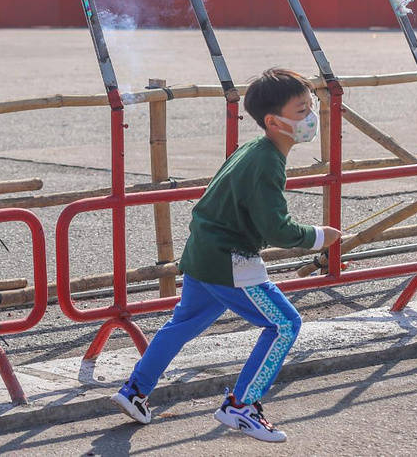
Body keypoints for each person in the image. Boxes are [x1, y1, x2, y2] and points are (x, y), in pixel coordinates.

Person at [111, 68, 340, 443]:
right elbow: (276, 228)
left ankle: (134, 391)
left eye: (310, 107)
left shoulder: (254, 149)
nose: (311, 117)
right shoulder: (266, 161)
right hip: (231, 261)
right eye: (302, 111)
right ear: (274, 121)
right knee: (285, 324)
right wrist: (318, 236)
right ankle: (241, 405)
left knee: (183, 324)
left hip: (203, 254)